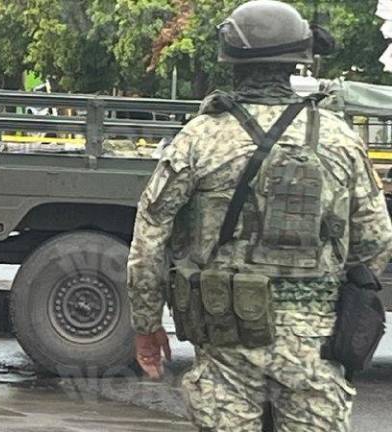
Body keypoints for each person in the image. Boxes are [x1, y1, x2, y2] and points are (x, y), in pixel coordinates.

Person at [127, 1, 392, 431]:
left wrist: (145, 324)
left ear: (230, 61)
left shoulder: (199, 138)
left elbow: (149, 240)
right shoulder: (339, 138)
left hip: (225, 339)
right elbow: (375, 240)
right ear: (298, 61)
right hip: (314, 347)